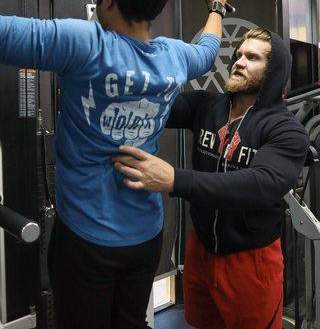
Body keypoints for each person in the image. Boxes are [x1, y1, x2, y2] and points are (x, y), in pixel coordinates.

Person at [0, 0, 227, 329]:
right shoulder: (175, 57)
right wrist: (217, 6)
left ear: (106, 0)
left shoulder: (84, 44)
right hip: (145, 238)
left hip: (86, 241)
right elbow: (208, 47)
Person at [113, 28, 310, 329]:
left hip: (250, 260)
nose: (239, 62)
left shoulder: (286, 130)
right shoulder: (207, 106)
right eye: (239, 55)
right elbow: (151, 106)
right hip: (201, 250)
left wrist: (174, 179)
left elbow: (258, 185)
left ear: (273, 71)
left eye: (252, 58)